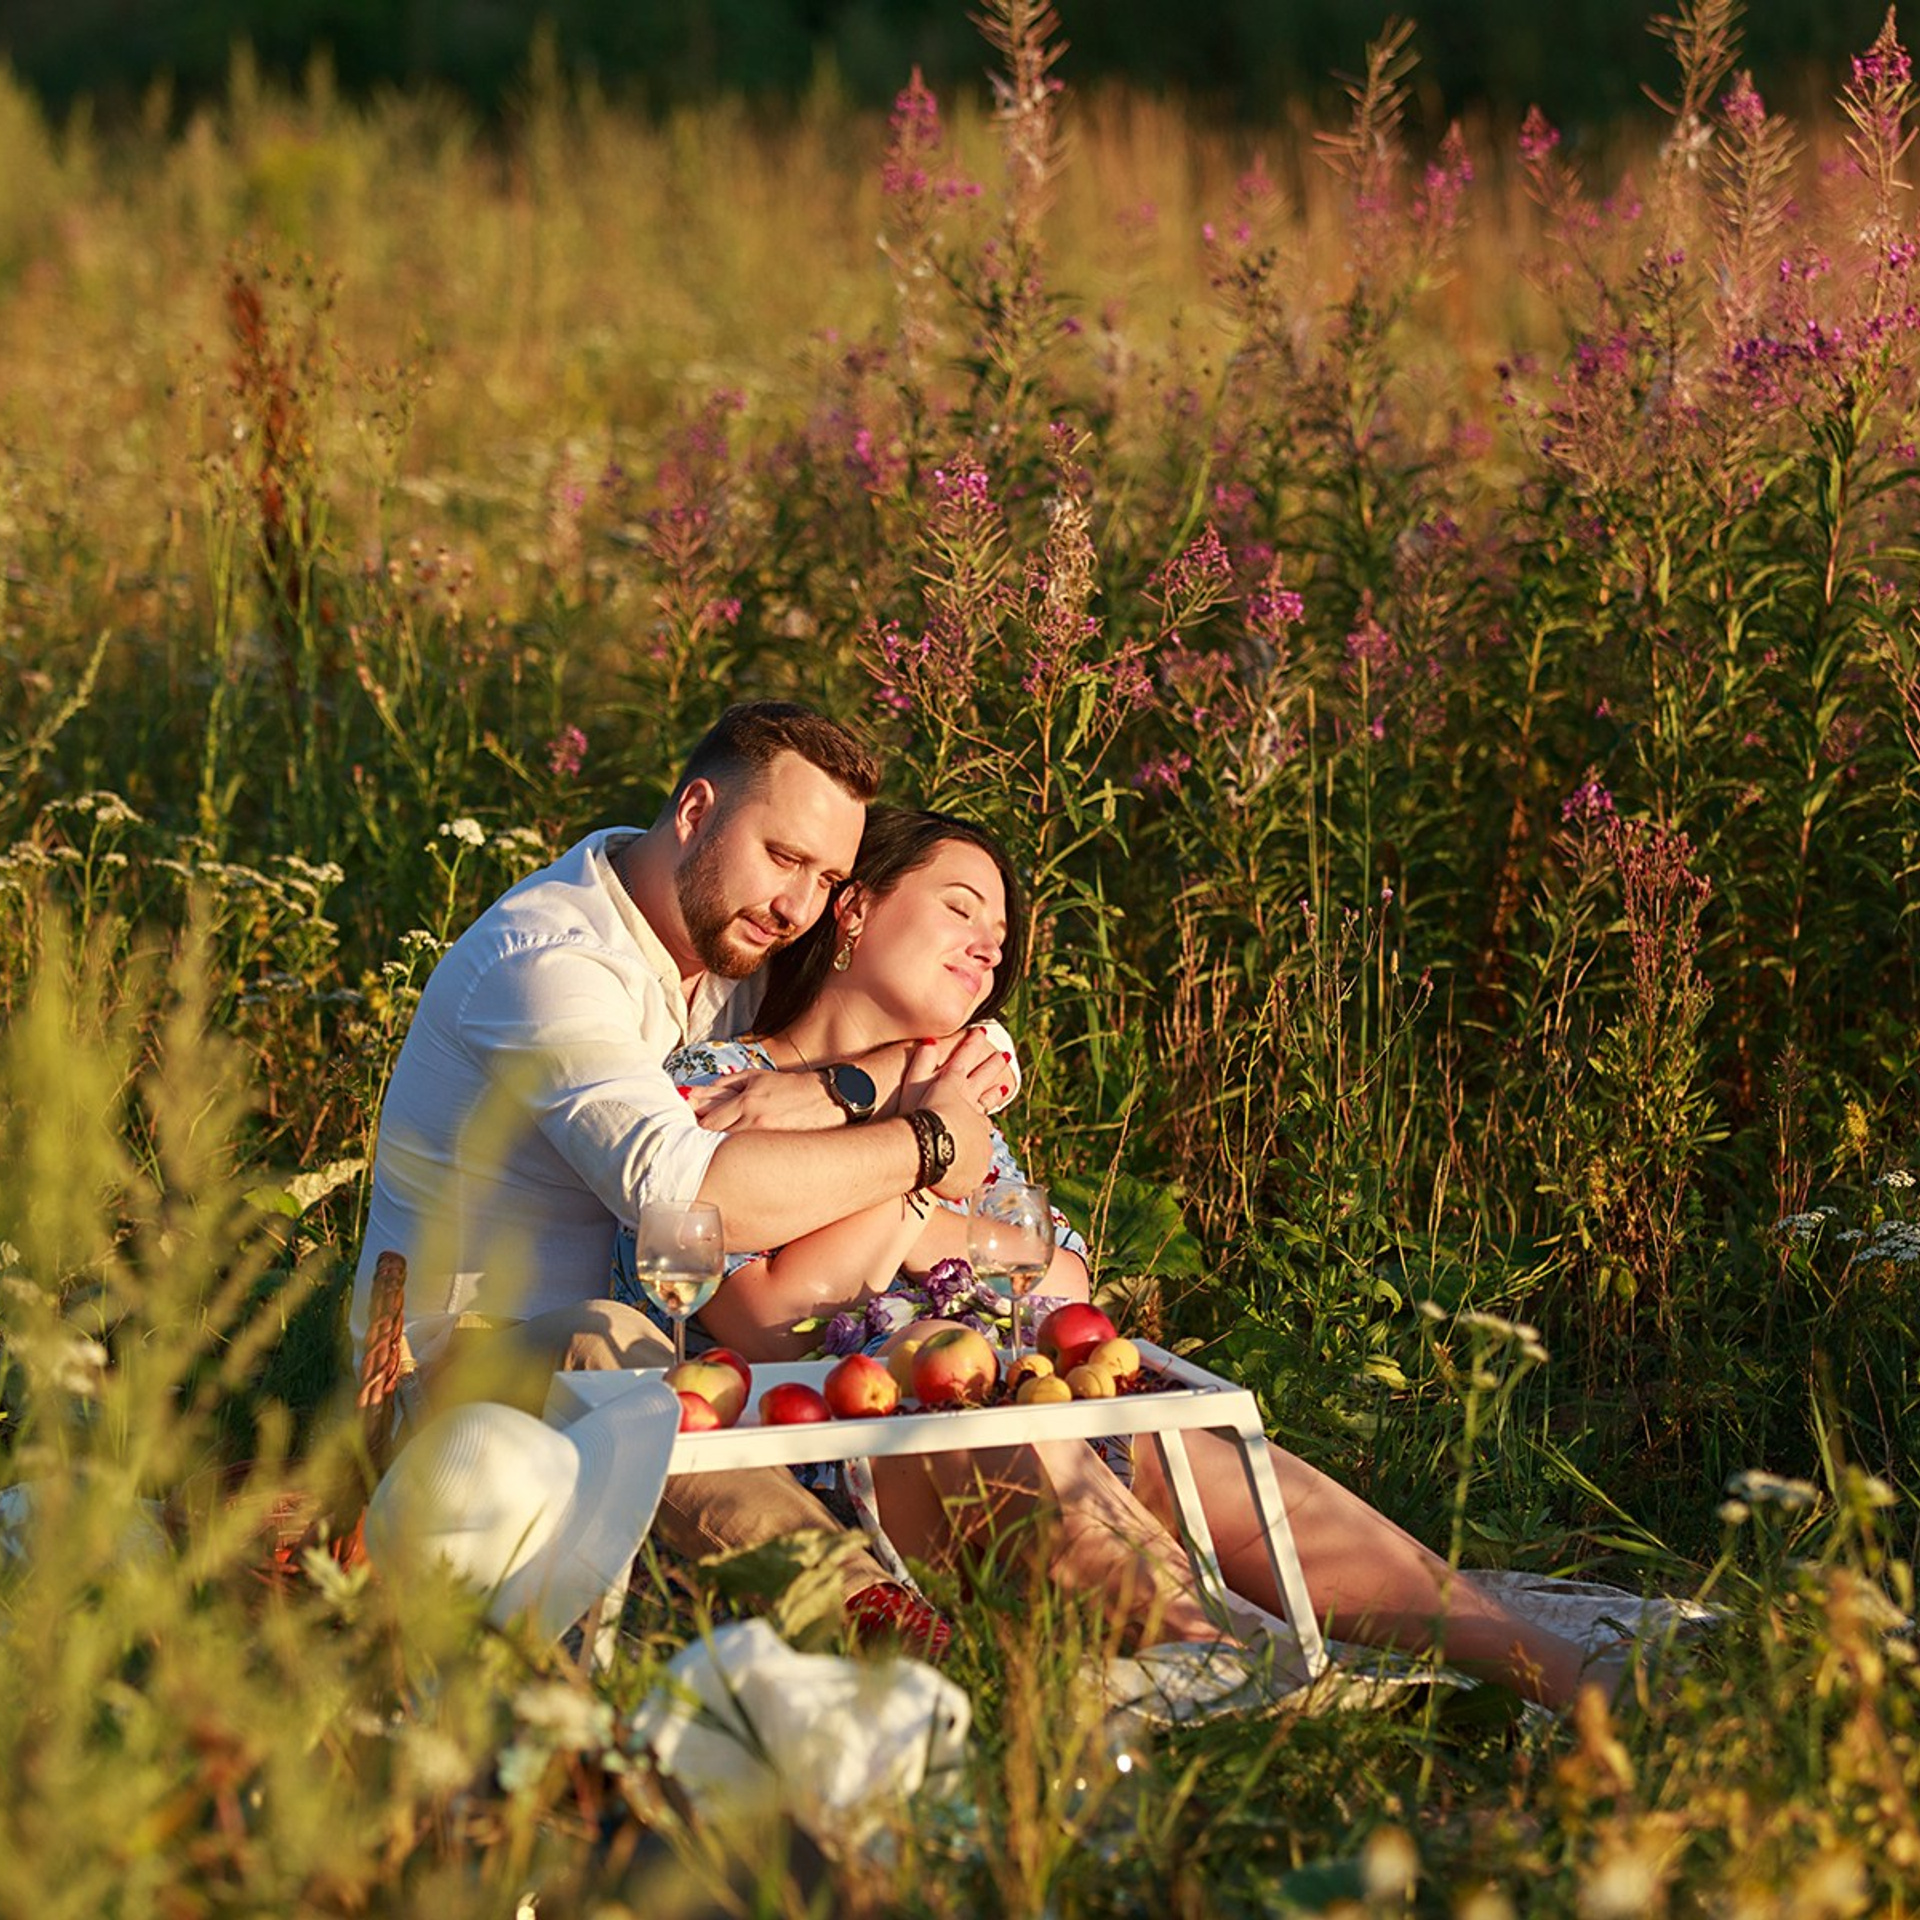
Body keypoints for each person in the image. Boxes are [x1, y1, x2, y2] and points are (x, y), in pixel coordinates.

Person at [640, 805, 1612, 1708]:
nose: (990, 947)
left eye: (1003, 939)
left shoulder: (960, 1098)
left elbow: (1058, 1275)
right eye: (961, 908)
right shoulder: (723, 1082)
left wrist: (912, 1180)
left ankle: (1561, 1674)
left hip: (1038, 1397)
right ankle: (1263, 1687)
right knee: (953, 1365)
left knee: (1187, 1444)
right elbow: (769, 1313)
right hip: (862, 1447)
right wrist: (933, 1159)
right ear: (853, 911)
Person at [352, 703, 1015, 1646]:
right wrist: (930, 1144)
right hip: (460, 1381)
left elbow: (947, 1018)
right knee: (610, 1343)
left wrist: (860, 1082)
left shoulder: (732, 937)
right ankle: (875, 1625)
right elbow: (680, 1197)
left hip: (678, 1357)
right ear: (696, 812)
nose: (797, 908)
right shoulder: (548, 959)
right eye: (783, 858)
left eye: (827, 878)